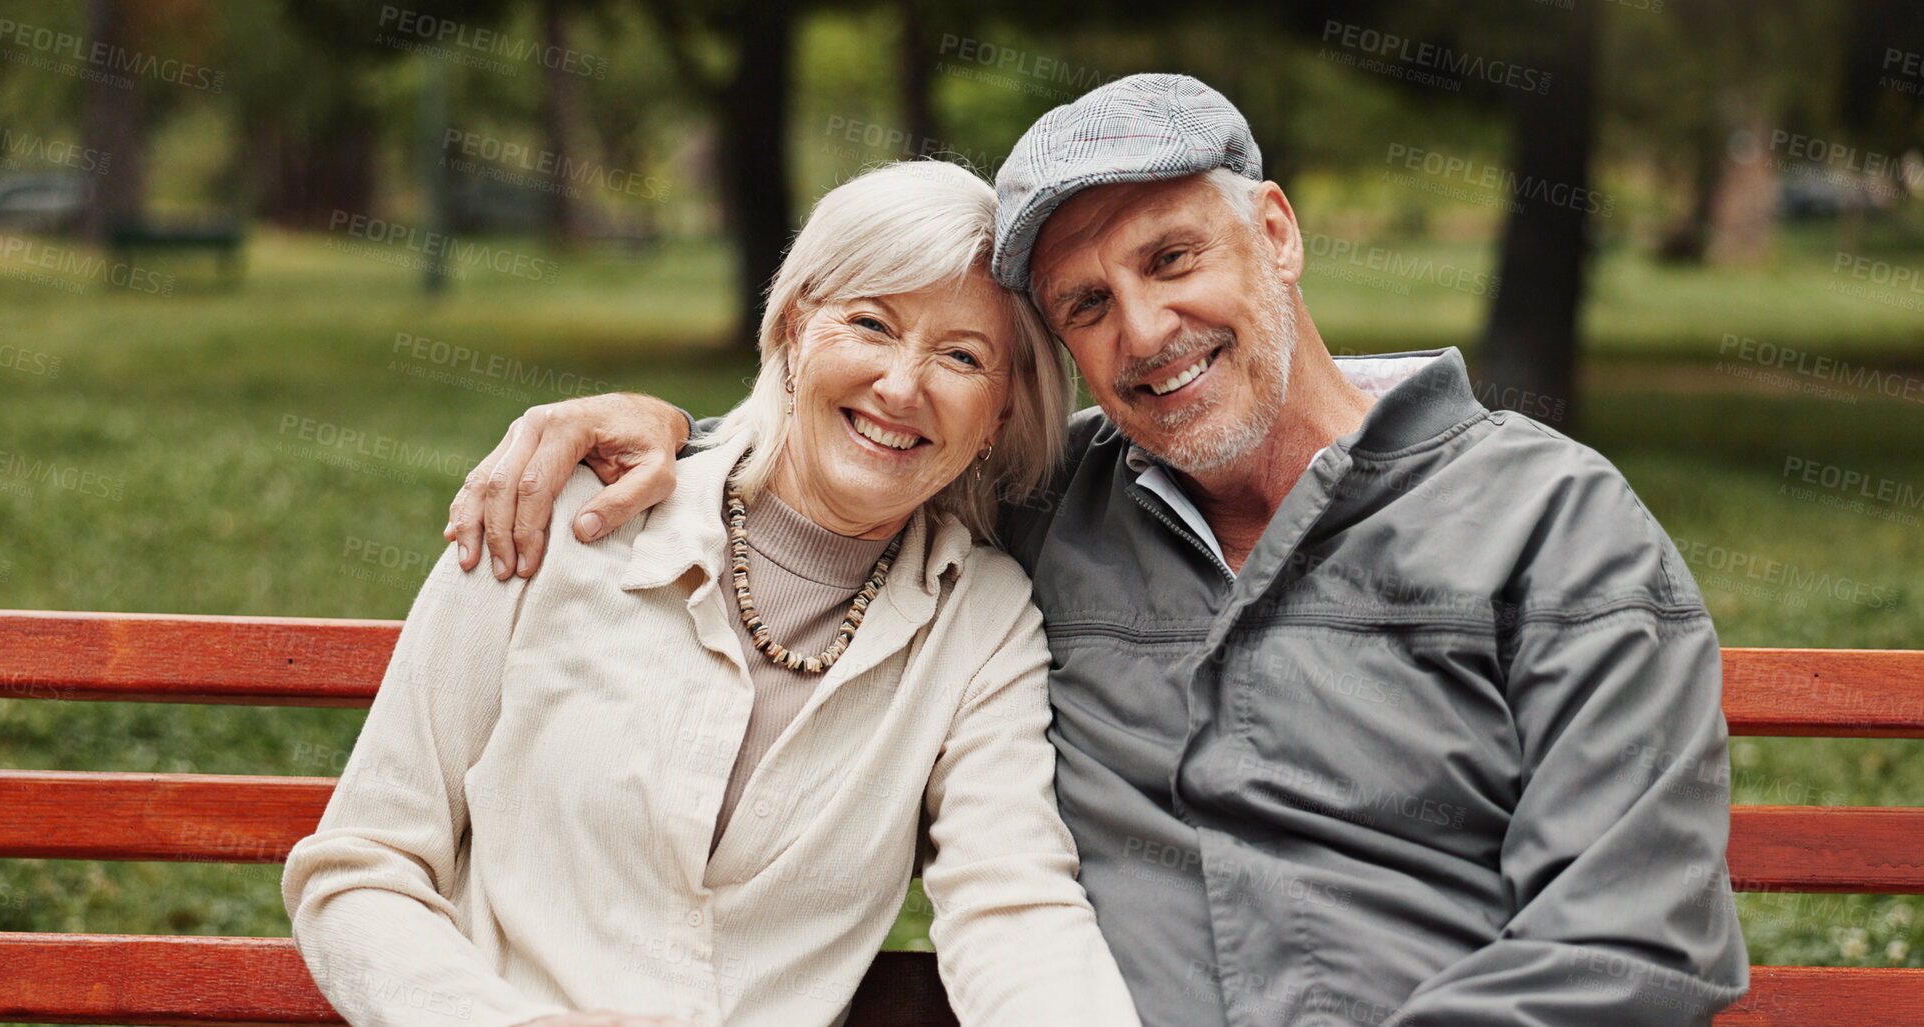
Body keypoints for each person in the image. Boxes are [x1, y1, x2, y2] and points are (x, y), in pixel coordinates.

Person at [446, 75, 1749, 1026]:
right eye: (1084, 304)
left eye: (1171, 256)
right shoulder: (1042, 503)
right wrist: (675, 430)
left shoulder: (1551, 526)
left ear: (1277, 233)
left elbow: (1628, 934)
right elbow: (852, 450)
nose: (1142, 331)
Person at [282, 160, 1142, 1027]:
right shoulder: (558, 516)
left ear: (998, 412)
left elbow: (1013, 907)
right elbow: (363, 864)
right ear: (797, 328)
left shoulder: (980, 621)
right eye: (872, 323)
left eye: (961, 356)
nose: (901, 384)